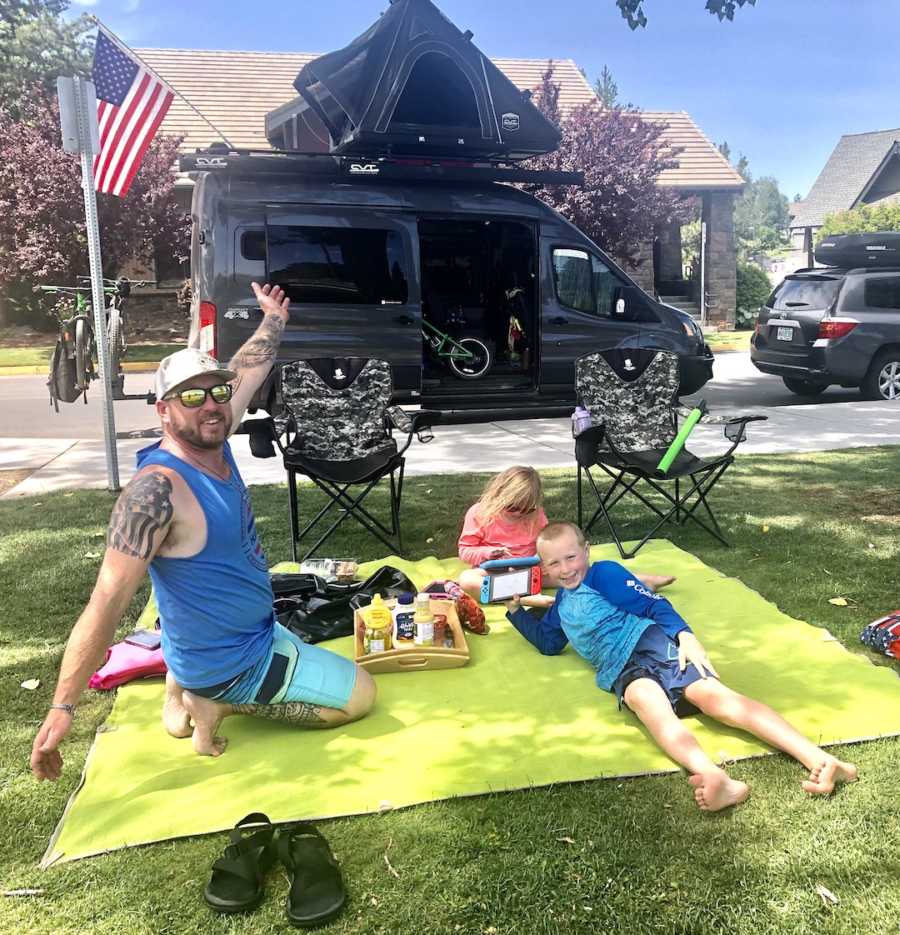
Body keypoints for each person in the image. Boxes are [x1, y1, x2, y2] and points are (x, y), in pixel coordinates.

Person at [30, 282, 376, 780]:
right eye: (191, 396)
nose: (210, 404)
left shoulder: (211, 432)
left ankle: (184, 681)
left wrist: (273, 318)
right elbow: (105, 602)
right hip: (232, 661)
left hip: (244, 633)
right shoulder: (156, 493)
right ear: (164, 410)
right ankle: (216, 702)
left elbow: (250, 367)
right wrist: (63, 708)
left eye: (216, 391)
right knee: (360, 695)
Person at [506, 521, 858, 812]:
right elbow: (549, 643)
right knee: (649, 706)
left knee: (716, 699)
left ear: (586, 551)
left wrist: (685, 636)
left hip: (651, 643)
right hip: (623, 671)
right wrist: (516, 612)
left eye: (571, 557)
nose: (566, 568)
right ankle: (715, 777)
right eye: (554, 564)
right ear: (544, 569)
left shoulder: (604, 575)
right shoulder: (560, 606)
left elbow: (653, 606)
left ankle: (821, 760)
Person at [456, 466, 673, 606]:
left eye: (527, 509)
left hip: (533, 572)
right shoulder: (480, 513)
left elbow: (548, 542)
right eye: (513, 509)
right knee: (467, 581)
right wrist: (488, 554)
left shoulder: (535, 515)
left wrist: (546, 560)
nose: (521, 514)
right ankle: (529, 600)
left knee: (578, 571)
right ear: (499, 496)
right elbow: (465, 550)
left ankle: (637, 581)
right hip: (496, 574)